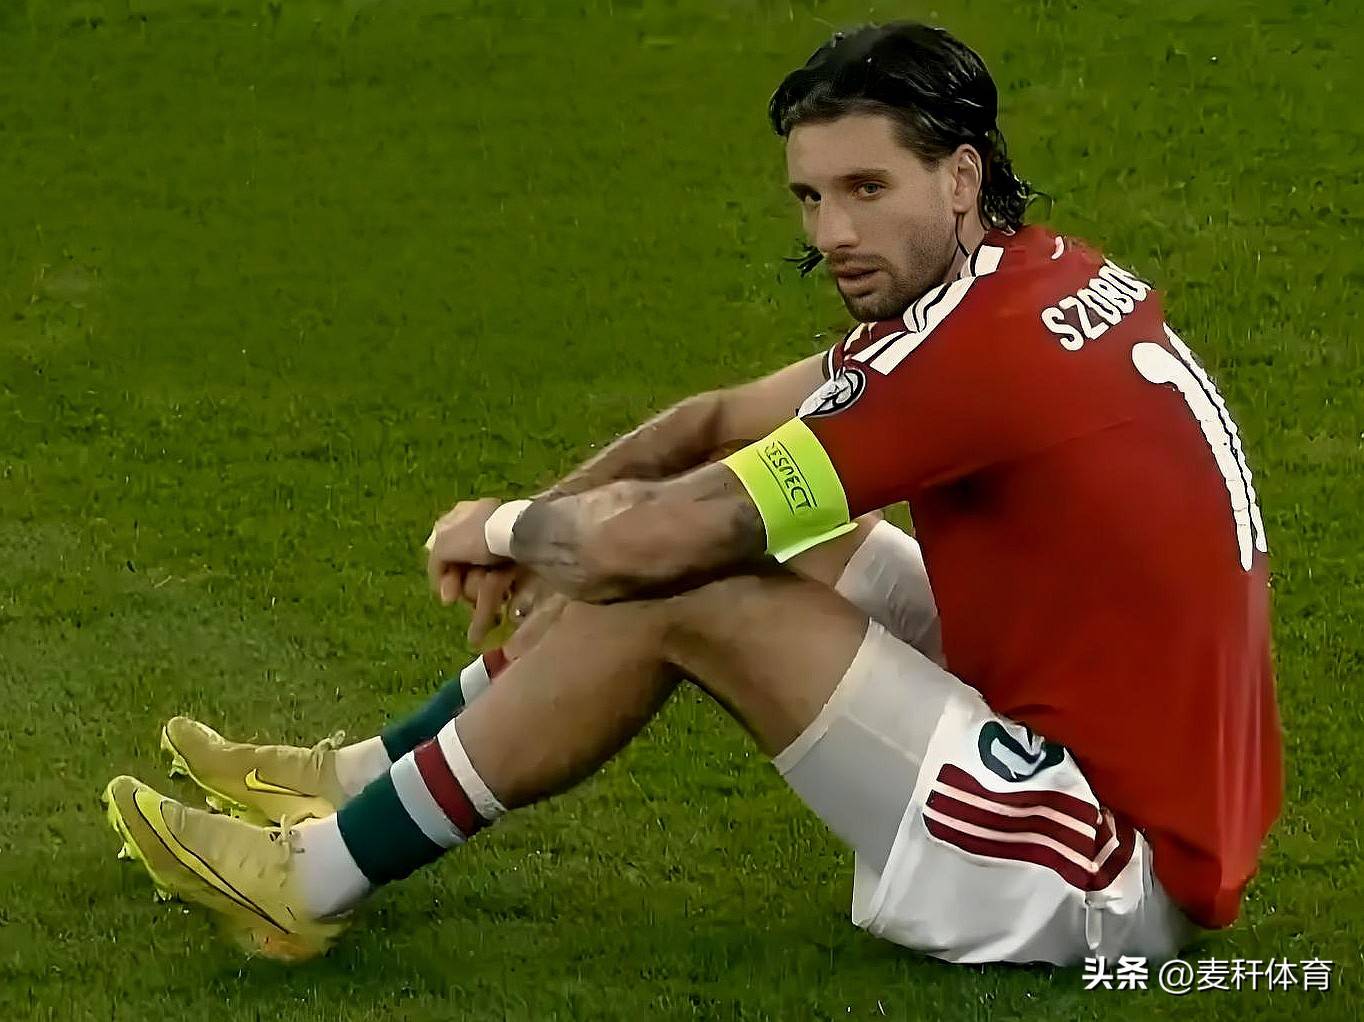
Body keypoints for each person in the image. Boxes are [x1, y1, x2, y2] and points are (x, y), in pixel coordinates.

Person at [103, 21, 1282, 967]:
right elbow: (721, 421)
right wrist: (548, 512)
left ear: (960, 175)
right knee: (748, 535)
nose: (833, 232)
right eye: (809, 197)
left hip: (1111, 865)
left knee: (681, 581)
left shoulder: (969, 361)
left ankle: (309, 879)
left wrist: (498, 525)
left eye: (865, 187)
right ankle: (362, 776)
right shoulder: (1025, 281)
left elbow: (647, 551)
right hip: (1115, 742)